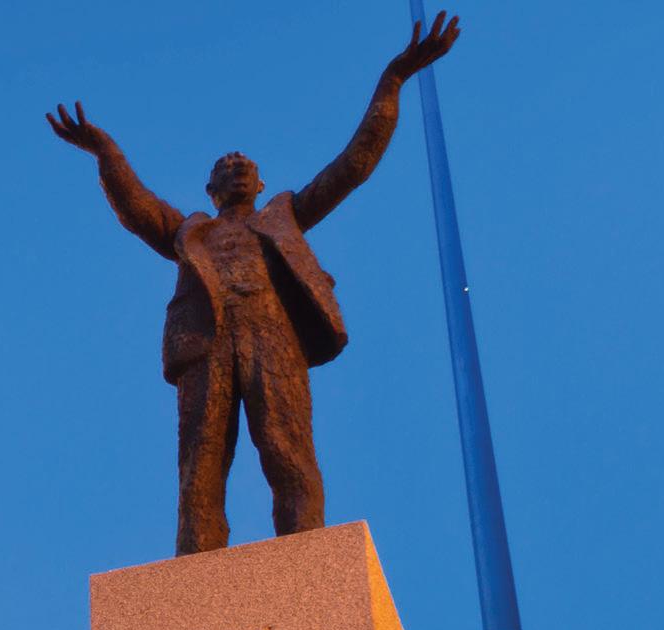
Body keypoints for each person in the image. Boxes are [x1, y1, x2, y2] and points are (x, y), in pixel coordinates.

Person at [47, 13, 460, 554]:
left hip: (272, 337)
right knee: (200, 465)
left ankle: (305, 557)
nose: (237, 165)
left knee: (288, 452)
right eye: (225, 164)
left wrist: (393, 79)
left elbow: (354, 165)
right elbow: (136, 206)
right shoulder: (189, 231)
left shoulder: (285, 216)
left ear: (261, 184)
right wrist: (107, 153)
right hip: (206, 344)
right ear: (211, 187)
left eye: (245, 163)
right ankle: (196, 569)